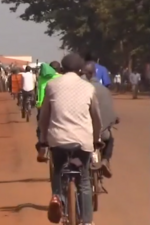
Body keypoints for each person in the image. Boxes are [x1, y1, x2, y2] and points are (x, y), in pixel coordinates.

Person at [38, 53, 102, 225]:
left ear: (61, 69)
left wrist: (43, 140)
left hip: (58, 139)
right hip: (83, 141)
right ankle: (87, 221)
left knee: (58, 170)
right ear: (80, 70)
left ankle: (57, 197)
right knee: (84, 181)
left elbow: (44, 117)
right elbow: (96, 117)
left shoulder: (52, 85)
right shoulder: (88, 87)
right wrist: (96, 139)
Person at [81, 62, 118, 178]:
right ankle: (105, 160)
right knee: (110, 139)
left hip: (83, 132)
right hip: (102, 133)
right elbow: (110, 111)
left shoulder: (81, 89)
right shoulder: (105, 90)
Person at [35, 62, 61, 161]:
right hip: (58, 106)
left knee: (41, 127)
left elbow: (38, 92)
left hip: (42, 106)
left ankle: (43, 147)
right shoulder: (62, 78)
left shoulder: (41, 78)